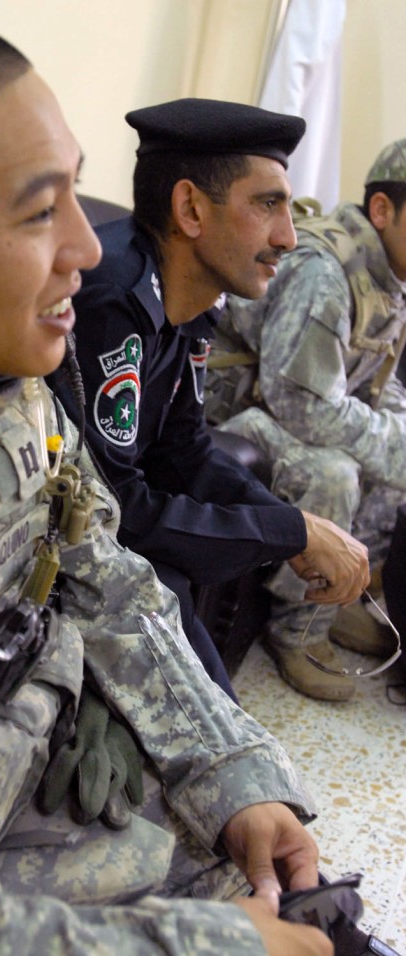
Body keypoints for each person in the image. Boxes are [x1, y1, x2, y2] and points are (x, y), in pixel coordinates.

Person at [0, 9, 361, 954]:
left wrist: (231, 766)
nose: (89, 249)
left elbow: (110, 575)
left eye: (77, 199)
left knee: (291, 887)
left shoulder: (7, 387)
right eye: (40, 210)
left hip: (32, 781)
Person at [49, 98, 369, 702]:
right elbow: (112, 505)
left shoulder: (194, 296)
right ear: (191, 209)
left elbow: (186, 448)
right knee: (171, 601)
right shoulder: (112, 299)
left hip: (110, 523)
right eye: (268, 203)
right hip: (63, 539)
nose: (289, 236)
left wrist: (292, 526)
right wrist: (288, 533)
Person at [206, 140, 406, 701]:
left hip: (289, 405)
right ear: (384, 210)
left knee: (392, 448)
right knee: (336, 470)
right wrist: (392, 446)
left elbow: (377, 386)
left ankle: (346, 598)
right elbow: (299, 404)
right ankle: (299, 631)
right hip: (232, 412)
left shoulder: (390, 277)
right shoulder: (324, 271)